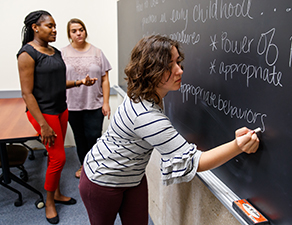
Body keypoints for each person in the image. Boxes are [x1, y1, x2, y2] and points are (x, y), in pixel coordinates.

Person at [78, 35, 260, 225]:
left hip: (134, 176)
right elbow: (196, 162)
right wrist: (238, 146)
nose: (179, 70)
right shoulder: (146, 116)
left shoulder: (144, 93)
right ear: (151, 69)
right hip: (102, 179)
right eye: (168, 66)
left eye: (178, 62)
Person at [17, 10, 96, 224]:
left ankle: (58, 193)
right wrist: (42, 124)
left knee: (56, 158)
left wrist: (79, 82)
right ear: (35, 27)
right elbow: (27, 93)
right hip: (43, 114)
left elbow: (57, 84)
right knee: (59, 158)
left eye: (54, 26)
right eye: (49, 26)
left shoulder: (54, 52)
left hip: (61, 109)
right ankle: (50, 202)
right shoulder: (27, 54)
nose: (54, 30)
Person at [61, 18, 112, 179]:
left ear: (85, 31)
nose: (78, 33)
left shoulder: (97, 52)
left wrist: (106, 102)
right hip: (72, 105)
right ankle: (84, 165)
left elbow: (105, 79)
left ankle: (96, 165)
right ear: (69, 34)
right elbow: (58, 80)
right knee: (80, 137)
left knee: (94, 136)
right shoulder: (62, 53)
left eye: (81, 29)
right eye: (74, 31)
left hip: (95, 104)